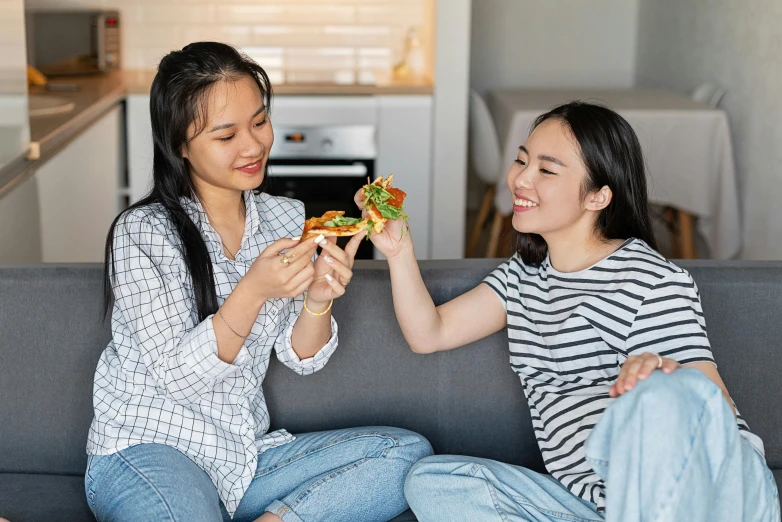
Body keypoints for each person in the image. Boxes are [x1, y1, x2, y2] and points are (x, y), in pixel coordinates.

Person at [360, 102, 780, 521]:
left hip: (711, 498)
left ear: (599, 195)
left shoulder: (649, 280)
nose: (520, 179)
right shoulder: (522, 279)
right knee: (434, 481)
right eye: (521, 160)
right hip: (595, 506)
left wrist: (660, 375)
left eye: (546, 170)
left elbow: (712, 410)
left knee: (660, 400)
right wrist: (399, 251)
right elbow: (429, 333)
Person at [84, 42, 432, 522]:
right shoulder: (143, 232)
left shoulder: (285, 218)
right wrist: (253, 290)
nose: (253, 146)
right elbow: (178, 380)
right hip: (148, 451)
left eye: (259, 121)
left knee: (405, 453)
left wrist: (318, 298)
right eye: (226, 136)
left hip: (240, 458)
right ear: (180, 144)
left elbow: (301, 358)